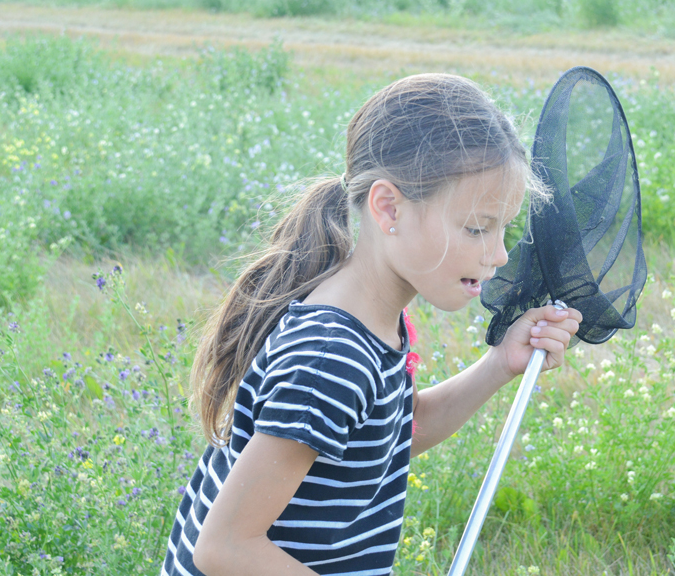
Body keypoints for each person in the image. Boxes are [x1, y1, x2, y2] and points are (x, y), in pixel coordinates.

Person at [161, 73, 582, 576]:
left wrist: (499, 364)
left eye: (503, 227)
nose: (498, 254)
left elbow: (389, 434)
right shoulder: (330, 355)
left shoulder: (371, 319)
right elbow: (226, 547)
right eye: (476, 228)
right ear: (389, 207)